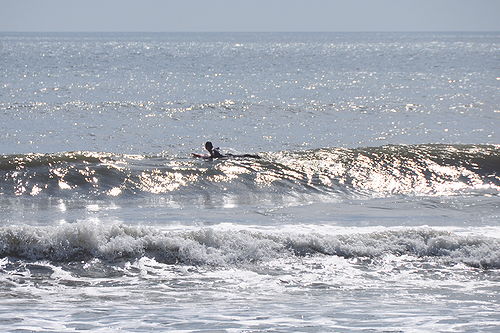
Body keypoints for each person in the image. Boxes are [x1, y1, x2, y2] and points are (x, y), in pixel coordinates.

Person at [192, 141, 261, 159]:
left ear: (207, 147)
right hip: (226, 155)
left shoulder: (212, 151)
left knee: (243, 156)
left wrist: (199, 156)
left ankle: (254, 156)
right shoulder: (213, 149)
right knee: (242, 156)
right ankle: (254, 156)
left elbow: (211, 157)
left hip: (225, 157)